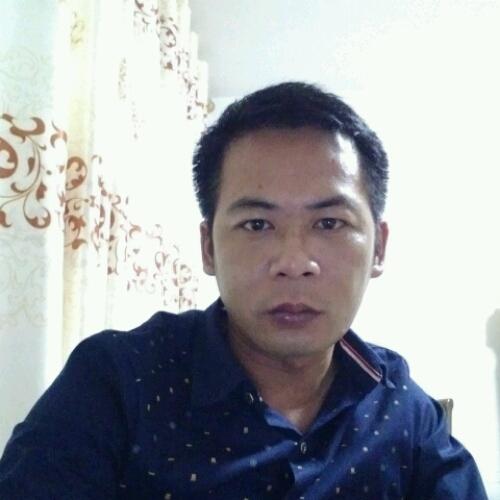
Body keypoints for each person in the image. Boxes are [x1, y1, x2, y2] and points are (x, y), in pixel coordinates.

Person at [0, 82, 487, 499]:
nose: (294, 262)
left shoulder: (405, 412)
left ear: (378, 248)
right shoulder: (117, 383)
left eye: (329, 223)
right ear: (208, 247)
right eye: (257, 224)